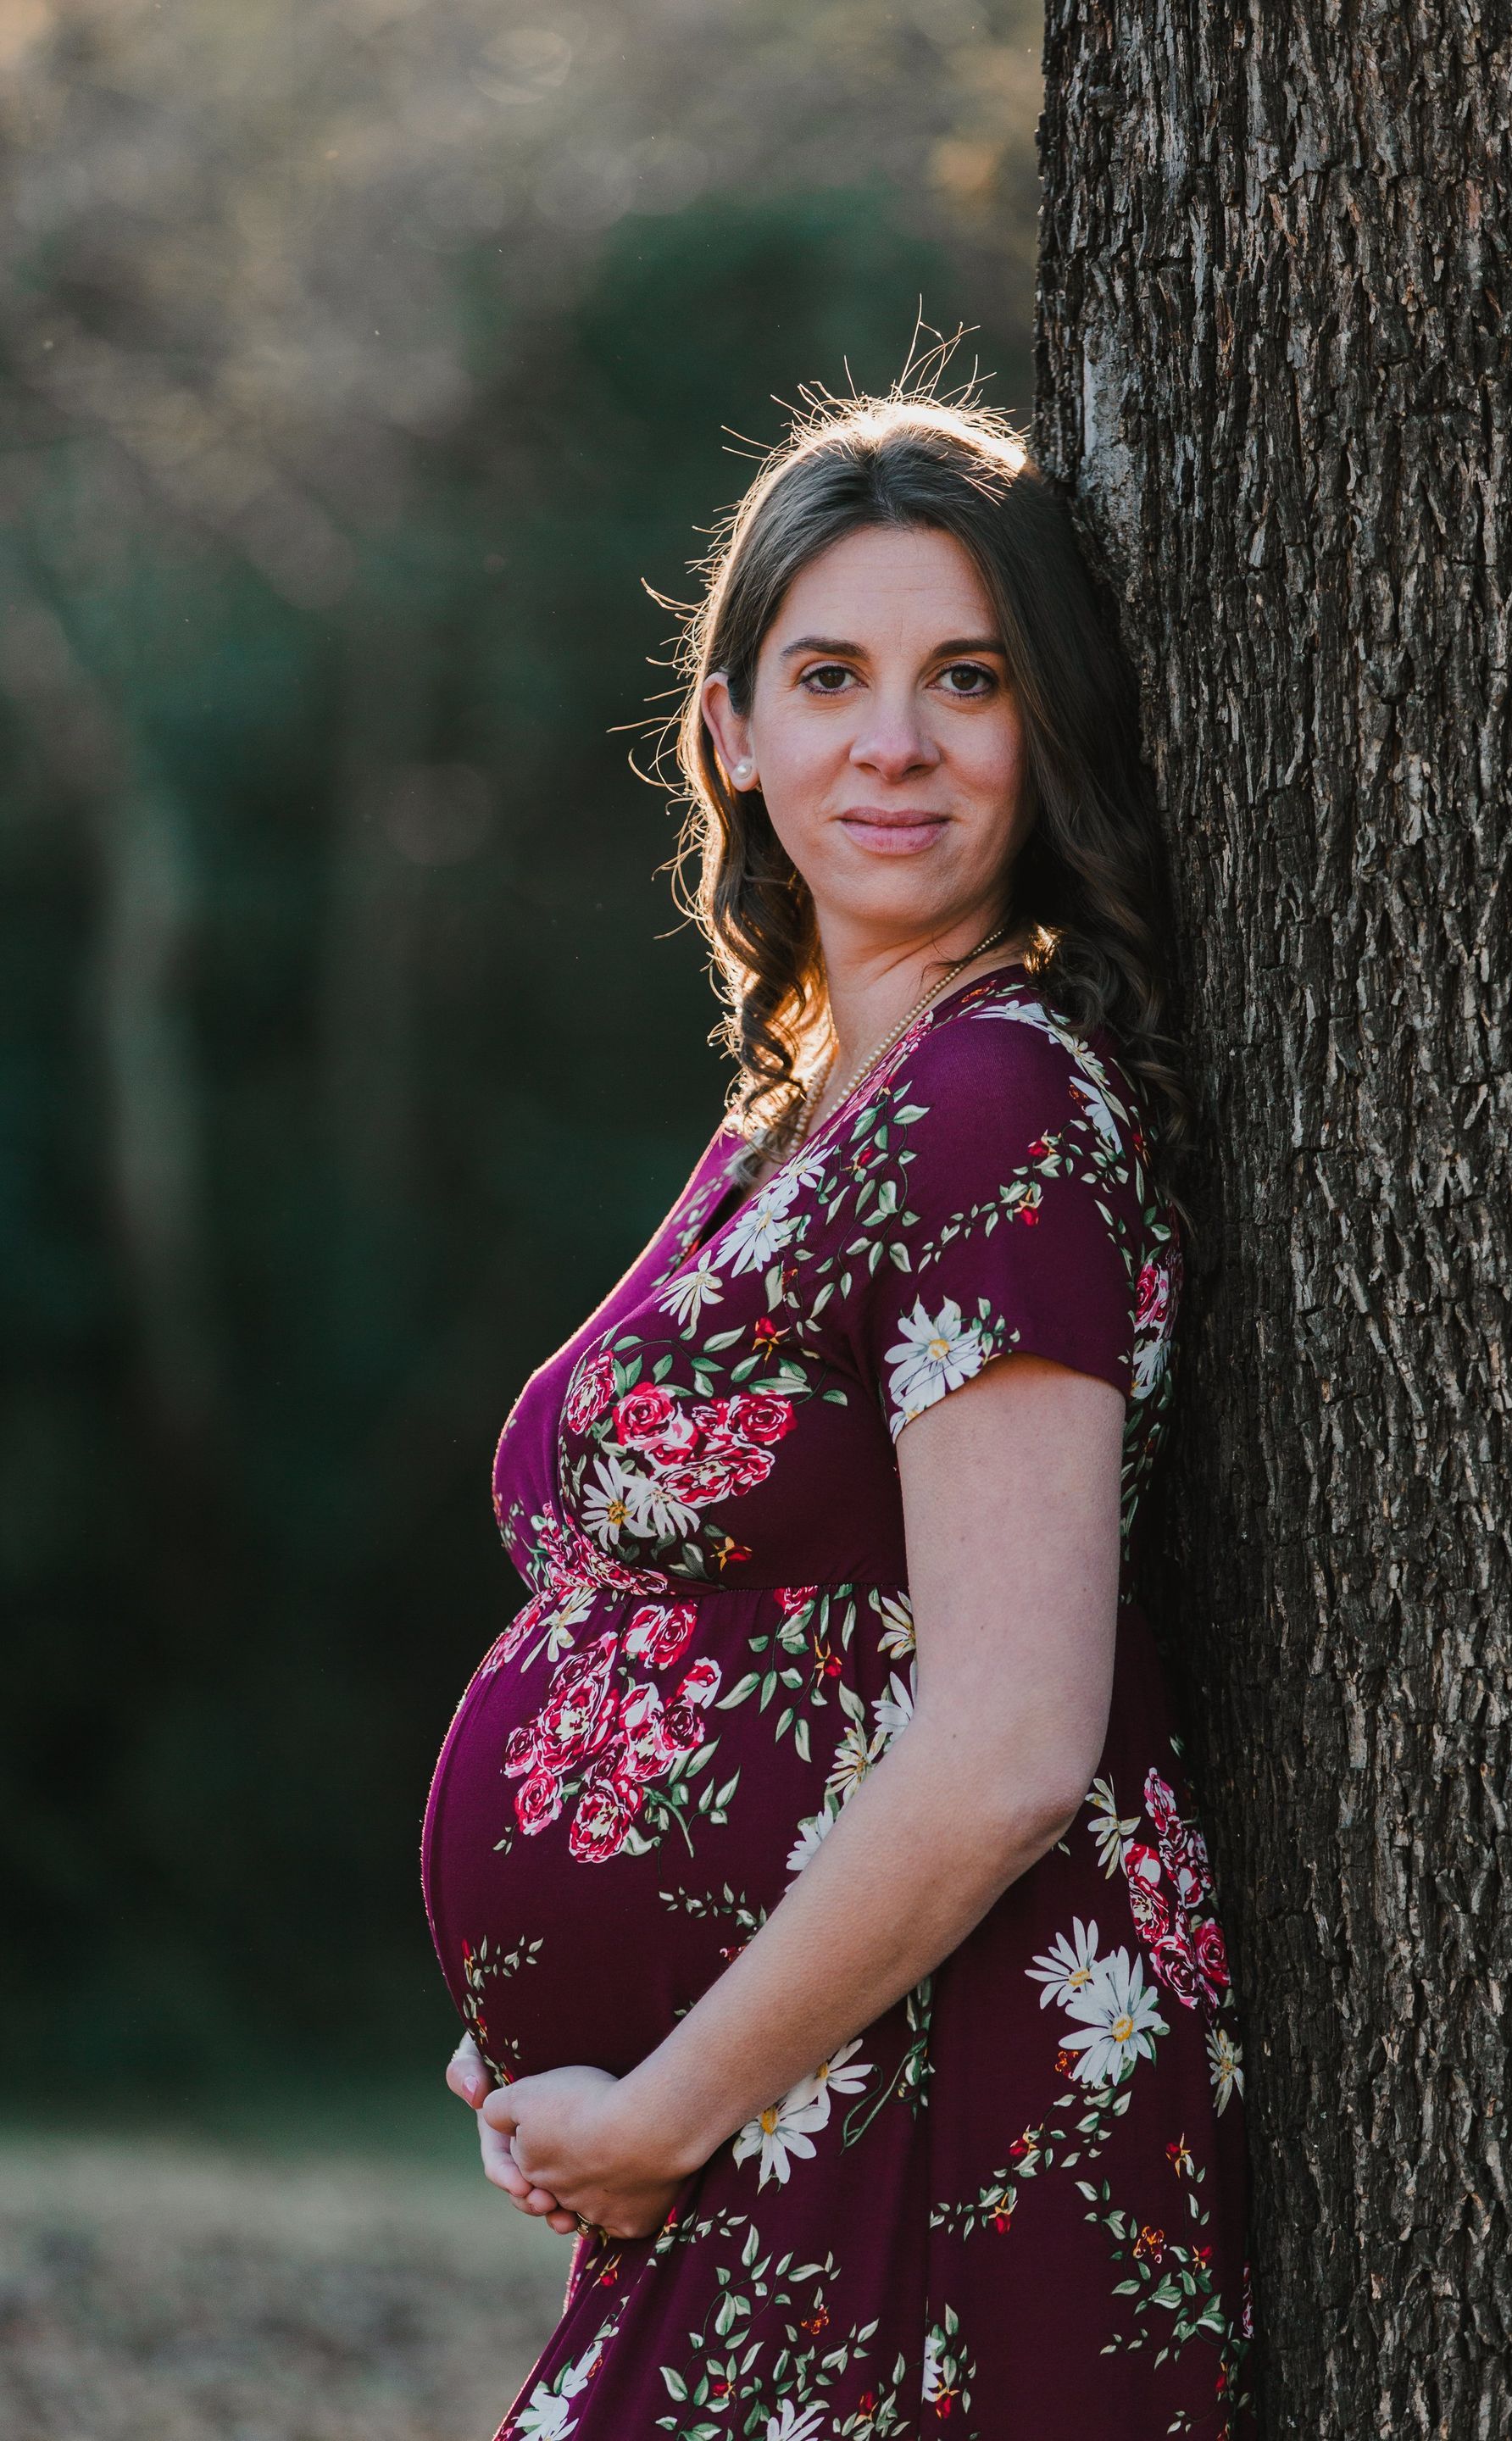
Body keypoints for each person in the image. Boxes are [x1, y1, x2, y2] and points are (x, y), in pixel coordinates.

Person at [420, 393, 1253, 2438]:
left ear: (1043, 725)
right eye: (830, 678)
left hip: (933, 2127)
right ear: (731, 729)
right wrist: (555, 2027)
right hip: (768, 2123)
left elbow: (1007, 1736)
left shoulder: (994, 1107)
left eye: (965, 678)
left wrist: (664, 2096)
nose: (894, 742)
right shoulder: (802, 1118)